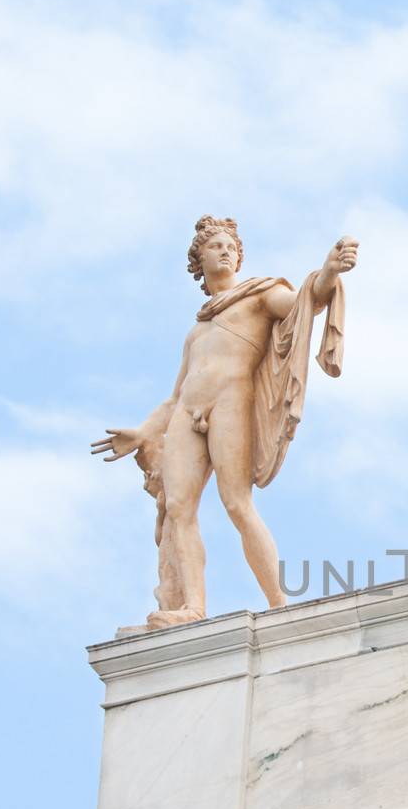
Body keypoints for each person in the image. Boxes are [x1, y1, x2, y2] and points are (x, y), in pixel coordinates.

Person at [93, 215, 357, 626]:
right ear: (199, 260)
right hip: (186, 414)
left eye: (231, 247)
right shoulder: (197, 330)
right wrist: (145, 430)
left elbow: (306, 303)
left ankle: (279, 605)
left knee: (237, 502)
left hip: (231, 402)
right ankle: (192, 607)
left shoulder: (259, 295)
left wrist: (327, 271)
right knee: (179, 508)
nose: (226, 251)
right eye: (216, 246)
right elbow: (177, 394)